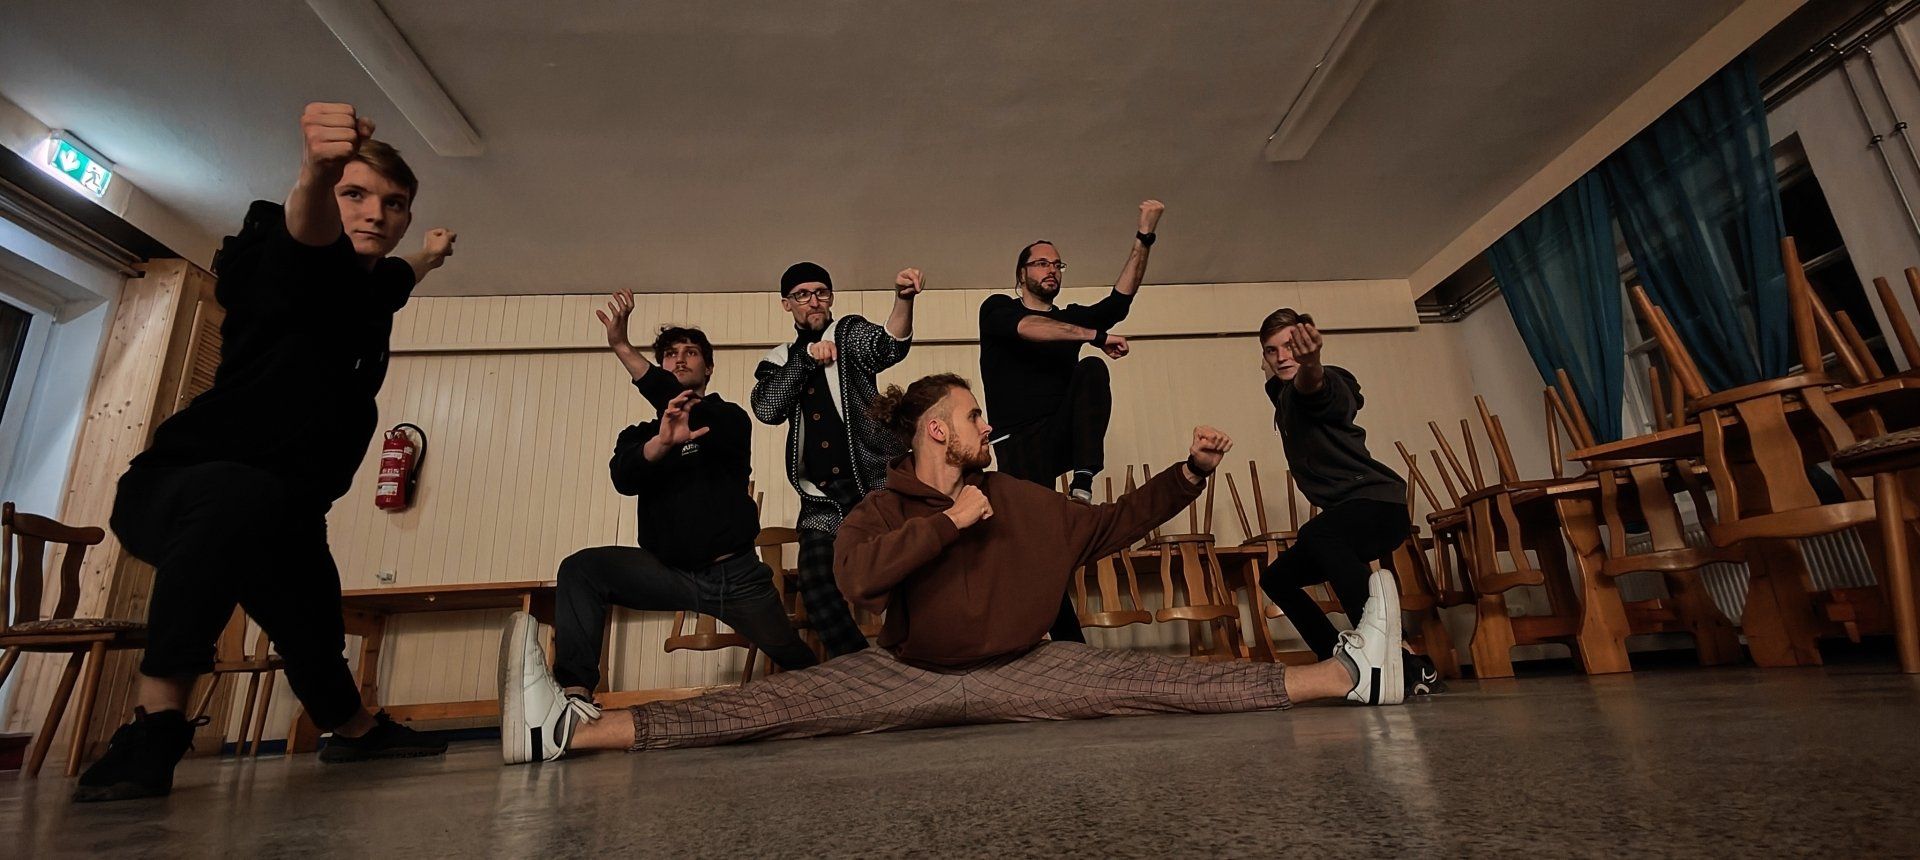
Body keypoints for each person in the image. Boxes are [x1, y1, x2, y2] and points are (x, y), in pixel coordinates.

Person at [497, 372, 1404, 765]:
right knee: (763, 709)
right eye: (973, 417)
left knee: (1161, 681)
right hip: (907, 673)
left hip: (1025, 667)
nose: (985, 428)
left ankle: (1347, 675)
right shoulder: (882, 509)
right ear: (938, 430)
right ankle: (567, 730)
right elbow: (858, 582)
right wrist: (949, 524)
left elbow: (1110, 525)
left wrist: (1190, 473)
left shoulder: (1021, 501)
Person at [78, 102, 454, 802]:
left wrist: (431, 253)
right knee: (240, 495)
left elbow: (401, 275)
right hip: (184, 487)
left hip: (288, 511)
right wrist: (315, 174)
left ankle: (355, 730)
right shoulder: (288, 261)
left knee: (313, 621)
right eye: (355, 194)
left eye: (394, 204)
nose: (375, 214)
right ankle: (155, 723)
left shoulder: (373, 291)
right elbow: (304, 240)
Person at [527, 299, 820, 729]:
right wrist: (661, 445)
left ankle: (841, 697)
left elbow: (681, 401)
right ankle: (575, 698)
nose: (680, 359)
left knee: (798, 662)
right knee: (582, 568)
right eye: (670, 354)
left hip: (736, 577)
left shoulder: (726, 418)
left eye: (691, 352)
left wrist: (622, 347)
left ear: (708, 368)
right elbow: (624, 477)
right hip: (667, 572)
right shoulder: (638, 435)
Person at [978, 199, 1164, 644]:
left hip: (1062, 434)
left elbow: (1120, 300)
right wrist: (1096, 336)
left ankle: (1082, 481)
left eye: (1057, 264)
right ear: (1021, 272)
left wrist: (1145, 236)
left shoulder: (1069, 316)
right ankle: (1067, 643)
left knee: (1092, 369)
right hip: (1019, 443)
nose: (1051, 270)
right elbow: (1033, 329)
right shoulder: (998, 309)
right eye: (1042, 263)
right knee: (1039, 549)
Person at [1255, 308, 1442, 695]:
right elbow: (1283, 388)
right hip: (1349, 514)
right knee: (1276, 578)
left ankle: (1392, 651)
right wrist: (1274, 370)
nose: (1283, 356)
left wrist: (1312, 363)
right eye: (1273, 350)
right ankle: (1345, 663)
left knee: (1318, 534)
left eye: (1291, 346)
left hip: (1379, 505)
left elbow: (1315, 388)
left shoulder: (1326, 383)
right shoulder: (1283, 395)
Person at [749, 262, 919, 658]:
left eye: (821, 292)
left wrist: (903, 299)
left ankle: (915, 658)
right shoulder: (780, 359)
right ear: (786, 304)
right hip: (822, 498)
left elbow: (889, 345)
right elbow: (767, 408)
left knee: (908, 572)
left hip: (875, 485)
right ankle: (862, 668)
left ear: (831, 298)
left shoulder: (848, 332)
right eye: (802, 295)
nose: (813, 301)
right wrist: (807, 358)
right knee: (817, 587)